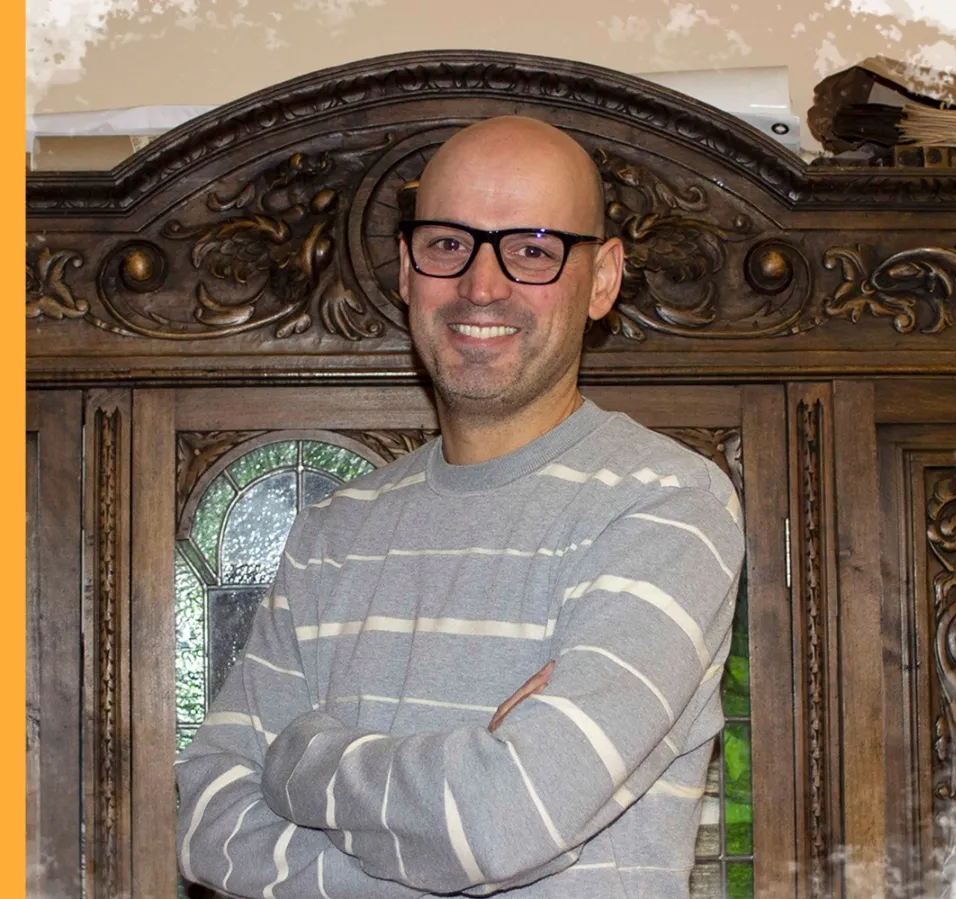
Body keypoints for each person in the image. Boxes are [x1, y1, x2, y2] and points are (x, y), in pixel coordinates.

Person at [175, 115, 745, 898]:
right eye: (448, 243)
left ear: (603, 279)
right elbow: (209, 824)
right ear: (407, 270)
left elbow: (502, 819)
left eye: (534, 249)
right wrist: (458, 803)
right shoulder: (332, 532)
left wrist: (300, 755)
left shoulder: (669, 507)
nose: (482, 285)